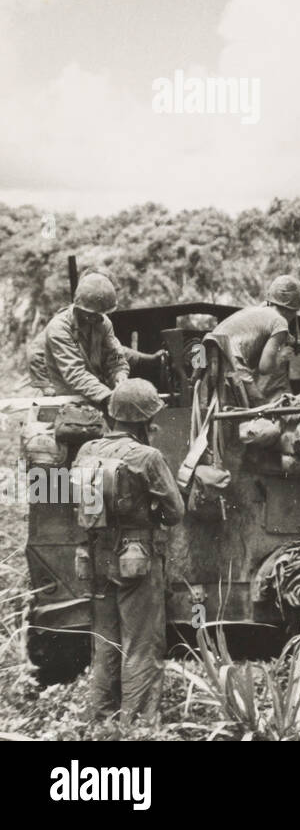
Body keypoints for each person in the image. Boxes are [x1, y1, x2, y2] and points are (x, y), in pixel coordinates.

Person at [80, 378, 185, 726]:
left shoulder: (87, 450)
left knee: (105, 642)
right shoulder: (148, 456)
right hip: (137, 559)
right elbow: (175, 512)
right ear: (144, 419)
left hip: (97, 556)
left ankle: (99, 720)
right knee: (142, 643)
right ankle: (136, 726)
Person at [26, 272, 165, 407]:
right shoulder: (59, 328)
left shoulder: (103, 322)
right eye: (92, 315)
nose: (98, 319)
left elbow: (115, 353)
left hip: (94, 393)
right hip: (67, 398)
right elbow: (75, 373)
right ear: (79, 308)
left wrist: (119, 372)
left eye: (101, 314)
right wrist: (108, 397)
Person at [205, 275, 300, 405]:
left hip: (210, 358)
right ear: (293, 309)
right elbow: (265, 367)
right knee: (260, 410)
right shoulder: (279, 322)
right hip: (231, 361)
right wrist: (281, 356)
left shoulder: (261, 311)